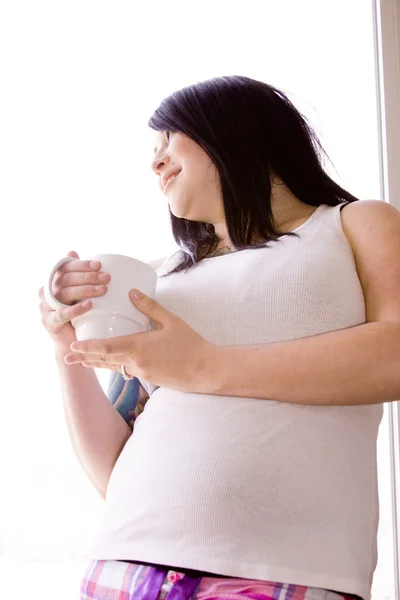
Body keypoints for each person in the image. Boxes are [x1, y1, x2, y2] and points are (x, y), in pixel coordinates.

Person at [38, 75, 400, 600]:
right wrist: (65, 346)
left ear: (235, 128)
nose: (156, 162)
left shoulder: (353, 225)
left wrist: (201, 364)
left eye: (169, 140)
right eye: (152, 152)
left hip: (280, 575)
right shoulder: (160, 277)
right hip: (124, 569)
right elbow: (113, 477)